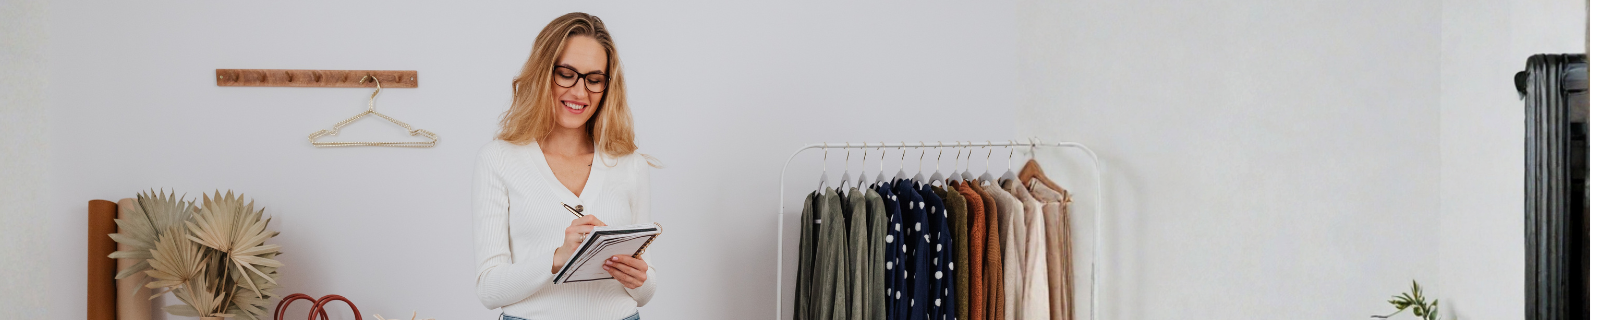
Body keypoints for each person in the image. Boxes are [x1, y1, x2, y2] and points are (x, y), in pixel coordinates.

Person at [471, 12, 657, 320]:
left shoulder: (630, 164)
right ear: (543, 73)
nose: (580, 92)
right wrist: (558, 258)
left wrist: (640, 279)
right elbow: (489, 290)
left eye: (594, 80)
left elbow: (647, 290)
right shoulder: (498, 159)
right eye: (566, 74)